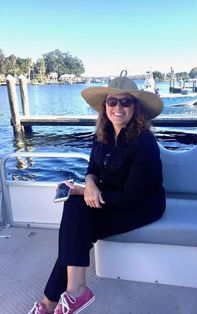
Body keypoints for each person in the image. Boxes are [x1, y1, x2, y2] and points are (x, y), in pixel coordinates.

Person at [28, 70, 166, 314]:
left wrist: (84, 192)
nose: (118, 107)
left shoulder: (144, 141)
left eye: (126, 102)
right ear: (105, 106)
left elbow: (131, 197)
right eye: (112, 101)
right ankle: (70, 295)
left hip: (141, 205)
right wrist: (89, 185)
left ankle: (56, 301)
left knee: (76, 230)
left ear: (136, 108)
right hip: (110, 197)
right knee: (74, 215)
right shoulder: (102, 134)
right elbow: (92, 169)